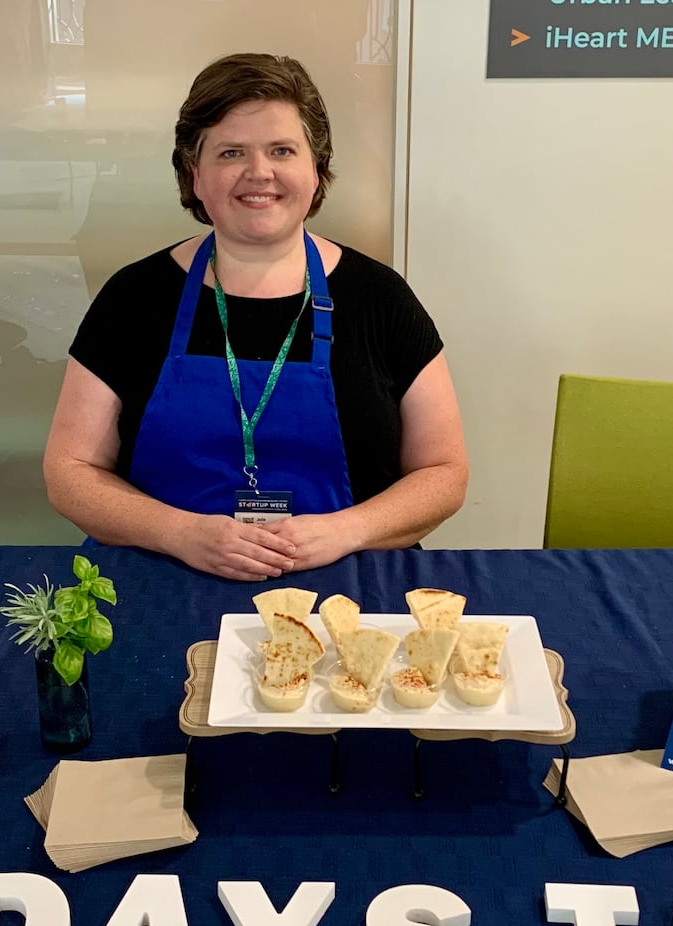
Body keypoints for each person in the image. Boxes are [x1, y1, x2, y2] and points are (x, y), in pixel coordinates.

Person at [44, 53, 467, 581]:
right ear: (195, 176)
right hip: (161, 580)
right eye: (231, 153)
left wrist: (344, 530)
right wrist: (181, 533)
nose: (258, 172)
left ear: (316, 170)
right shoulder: (134, 297)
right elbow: (70, 471)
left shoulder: (380, 298)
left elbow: (444, 473)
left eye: (282, 150)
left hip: (350, 588)